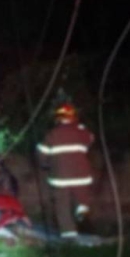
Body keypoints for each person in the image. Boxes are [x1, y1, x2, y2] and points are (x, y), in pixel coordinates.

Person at [36, 102, 95, 239]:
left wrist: (45, 165)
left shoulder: (52, 134)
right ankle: (82, 208)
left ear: (57, 118)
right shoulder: (81, 132)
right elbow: (90, 139)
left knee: (62, 205)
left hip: (60, 177)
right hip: (81, 175)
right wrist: (81, 127)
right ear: (74, 117)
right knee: (81, 195)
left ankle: (69, 234)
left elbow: (42, 153)